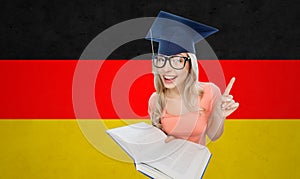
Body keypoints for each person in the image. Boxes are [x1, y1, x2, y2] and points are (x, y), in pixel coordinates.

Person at [146, 11, 239, 145]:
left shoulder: (209, 92)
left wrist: (219, 114)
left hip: (196, 164)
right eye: (161, 60)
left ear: (190, 65)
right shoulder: (155, 100)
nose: (166, 69)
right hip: (166, 163)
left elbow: (214, 136)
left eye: (177, 61)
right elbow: (158, 141)